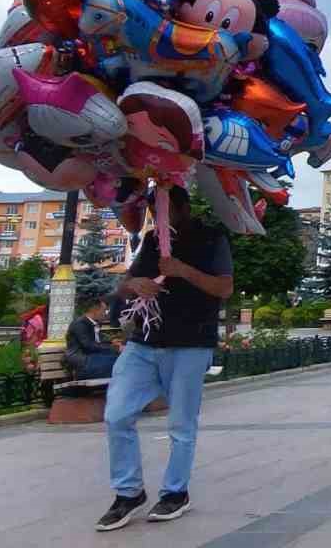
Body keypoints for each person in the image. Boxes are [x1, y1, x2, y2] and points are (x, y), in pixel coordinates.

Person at [96, 186, 233, 531]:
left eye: (165, 209)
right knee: (117, 414)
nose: (160, 217)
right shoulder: (153, 239)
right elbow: (124, 285)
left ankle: (176, 492)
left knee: (181, 424)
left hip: (190, 343)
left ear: (183, 207)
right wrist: (136, 284)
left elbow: (224, 288)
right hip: (143, 342)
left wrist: (182, 270)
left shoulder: (210, 237)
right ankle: (128, 492)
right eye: (155, 211)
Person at [66, 296, 120, 380]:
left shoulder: (93, 324)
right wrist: (112, 348)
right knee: (118, 362)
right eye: (104, 310)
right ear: (95, 310)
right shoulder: (79, 324)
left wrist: (112, 343)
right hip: (82, 363)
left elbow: (97, 343)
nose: (106, 314)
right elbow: (88, 345)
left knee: (120, 359)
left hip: (92, 359)